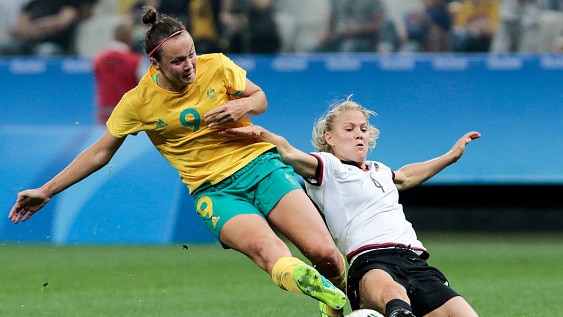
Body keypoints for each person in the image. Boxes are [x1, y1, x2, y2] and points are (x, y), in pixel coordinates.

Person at [8, 6, 347, 317]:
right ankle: (328, 298)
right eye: (178, 61)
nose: (189, 66)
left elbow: (259, 98)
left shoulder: (217, 66)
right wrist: (48, 190)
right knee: (270, 252)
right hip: (214, 193)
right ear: (156, 64)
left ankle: (347, 302)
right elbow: (99, 153)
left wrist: (242, 106)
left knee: (326, 255)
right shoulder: (138, 101)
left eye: (191, 55)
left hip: (261, 166)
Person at [222, 98, 481, 317]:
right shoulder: (327, 167)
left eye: (363, 128)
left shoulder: (379, 171)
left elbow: (406, 177)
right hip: (371, 262)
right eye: (349, 128)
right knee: (395, 298)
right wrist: (261, 134)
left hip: (414, 261)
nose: (359, 133)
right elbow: (289, 153)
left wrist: (451, 156)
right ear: (329, 138)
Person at [92, 18, 147, 124]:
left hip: (105, 114)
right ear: (129, 38)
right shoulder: (136, 61)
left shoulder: (98, 59)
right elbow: (145, 87)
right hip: (127, 114)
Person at [4, 0, 98, 56]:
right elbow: (19, 27)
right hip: (29, 42)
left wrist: (35, 27)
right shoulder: (34, 3)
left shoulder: (68, 3)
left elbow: (62, 22)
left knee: (45, 51)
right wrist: (34, 30)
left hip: (56, 44)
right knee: (6, 47)